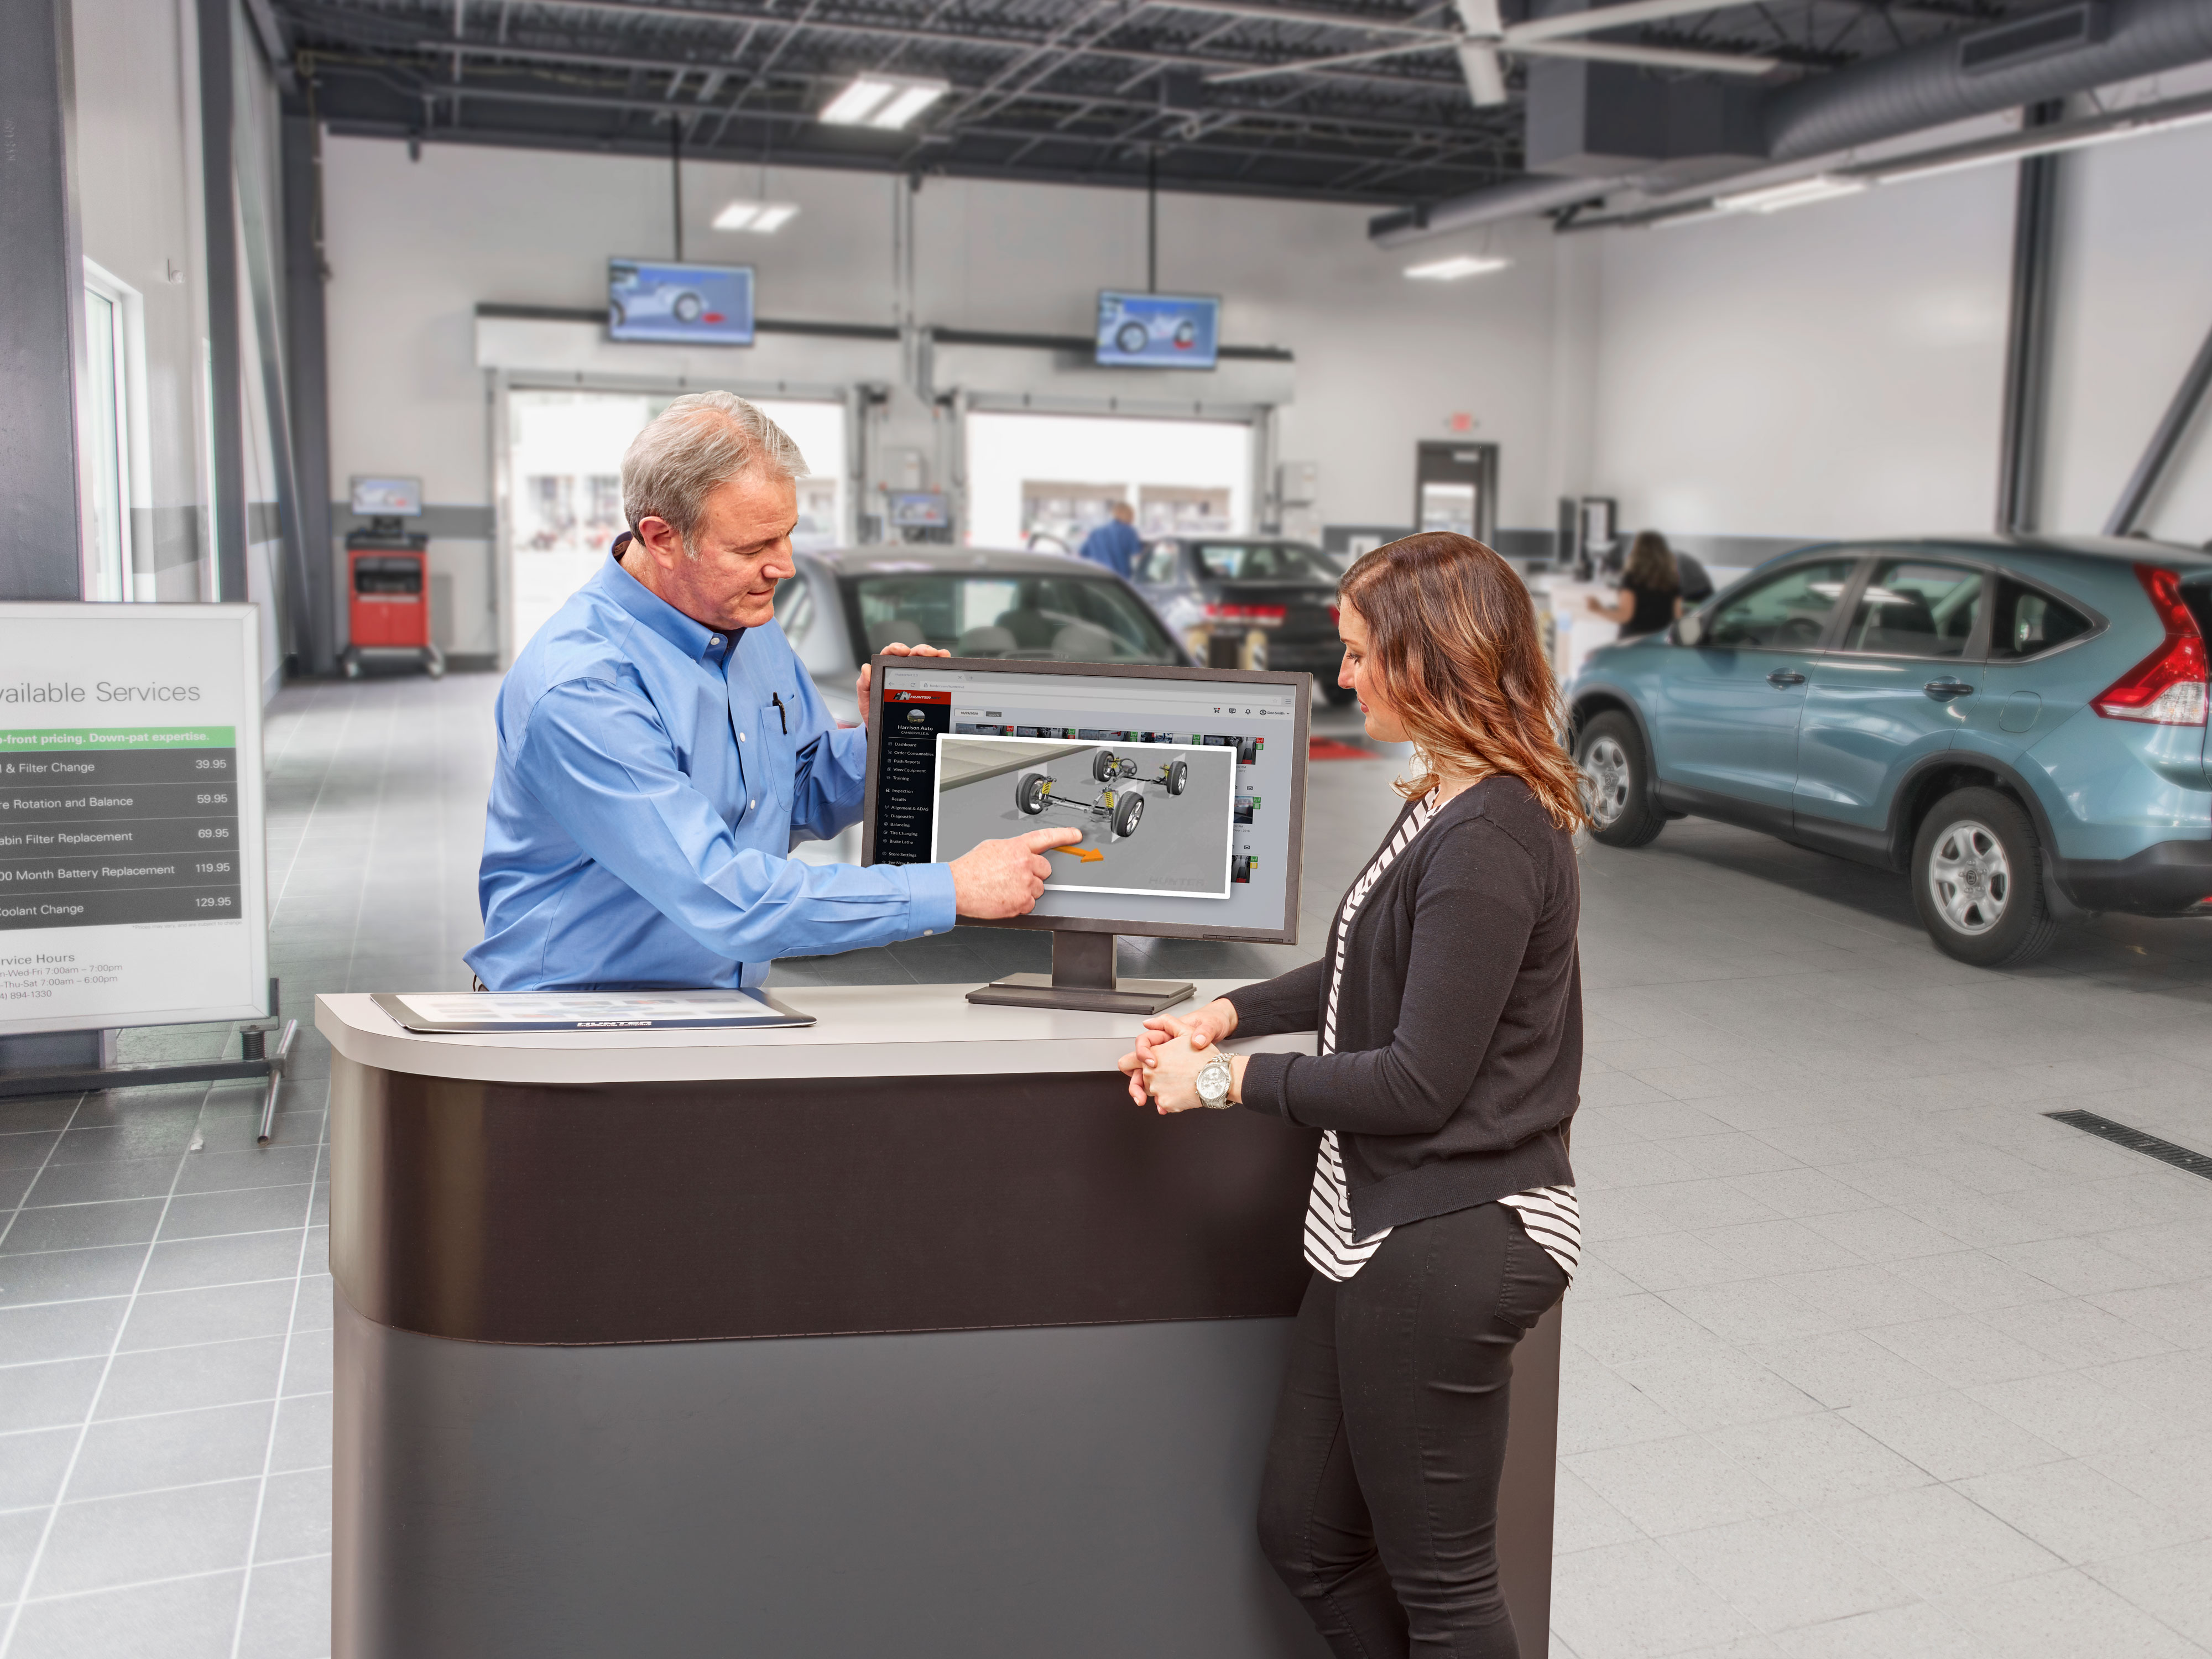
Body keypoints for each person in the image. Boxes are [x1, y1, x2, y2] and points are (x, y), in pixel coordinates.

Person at [1120, 532, 1584, 1659]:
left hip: (1451, 1233)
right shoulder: (1446, 798)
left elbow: (1417, 1083)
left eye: (1361, 652)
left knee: (1444, 1584)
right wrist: (1230, 1012)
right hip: (1372, 1232)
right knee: (1307, 1536)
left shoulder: (1487, 835)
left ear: (1430, 660)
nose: (1345, 677)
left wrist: (1219, 1081)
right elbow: (1361, 963)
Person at [465, 392, 1078, 992]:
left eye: (786, 535)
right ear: (661, 537)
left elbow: (795, 791)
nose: (782, 565)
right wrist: (949, 888)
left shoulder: (745, 624)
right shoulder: (585, 690)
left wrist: (886, 742)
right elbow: (726, 897)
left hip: (721, 1005)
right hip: (571, 1031)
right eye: (753, 547)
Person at [1585, 528, 1682, 639]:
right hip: (1660, 643)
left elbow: (1625, 615)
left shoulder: (1632, 579)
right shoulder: (1672, 581)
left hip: (1634, 643)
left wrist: (1599, 609)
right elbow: (1678, 617)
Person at [1077, 500, 1142, 579]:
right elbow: (1138, 556)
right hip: (1119, 581)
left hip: (1097, 578)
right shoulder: (1129, 532)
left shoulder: (1096, 532)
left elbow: (1081, 555)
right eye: (1133, 515)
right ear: (1129, 515)